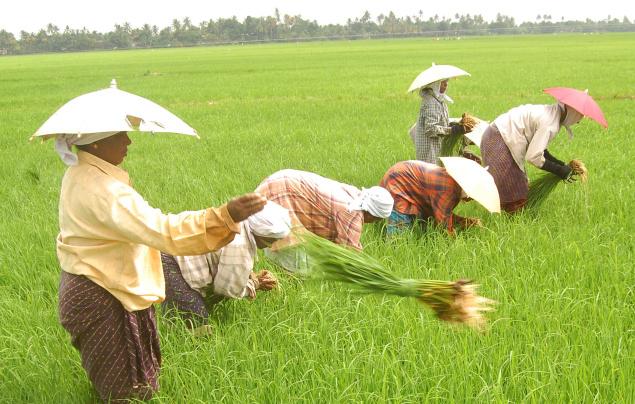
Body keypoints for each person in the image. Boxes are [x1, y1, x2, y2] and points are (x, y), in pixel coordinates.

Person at [55, 131, 266, 401]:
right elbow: (165, 231)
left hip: (96, 285)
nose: (128, 141)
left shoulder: (80, 172)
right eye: (120, 135)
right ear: (96, 142)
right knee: (128, 392)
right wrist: (224, 216)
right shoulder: (106, 192)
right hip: (104, 293)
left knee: (119, 380)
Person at [161, 201, 291, 330]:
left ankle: (171, 326)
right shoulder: (239, 246)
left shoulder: (237, 221)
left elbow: (225, 265)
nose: (272, 245)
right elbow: (226, 289)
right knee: (199, 324)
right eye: (272, 240)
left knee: (182, 312)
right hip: (171, 260)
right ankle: (177, 334)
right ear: (262, 235)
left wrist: (250, 277)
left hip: (167, 244)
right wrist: (255, 284)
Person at [254, 169, 393, 273]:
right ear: (373, 215)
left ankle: (278, 286)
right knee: (298, 267)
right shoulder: (352, 213)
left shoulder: (356, 195)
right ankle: (285, 297)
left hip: (277, 185)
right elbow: (351, 256)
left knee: (294, 256)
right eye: (376, 220)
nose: (372, 223)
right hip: (281, 196)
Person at [480, 103, 583, 213]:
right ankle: (514, 223)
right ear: (573, 114)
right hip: (498, 138)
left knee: (517, 188)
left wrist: (561, 165)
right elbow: (533, 156)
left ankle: (514, 220)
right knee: (515, 191)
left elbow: (540, 150)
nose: (578, 121)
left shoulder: (551, 114)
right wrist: (558, 170)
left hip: (498, 136)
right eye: (579, 117)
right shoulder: (549, 124)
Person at [379, 160, 485, 235]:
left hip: (403, 174)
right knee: (399, 233)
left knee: (424, 224)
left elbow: (437, 213)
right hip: (399, 181)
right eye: (473, 196)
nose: (470, 200)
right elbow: (443, 222)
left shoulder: (453, 182)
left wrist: (467, 222)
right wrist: (455, 243)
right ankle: (395, 253)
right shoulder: (447, 188)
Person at [413, 79, 466, 164]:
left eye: (447, 82)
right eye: (443, 83)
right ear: (434, 84)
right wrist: (451, 130)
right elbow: (430, 129)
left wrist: (455, 124)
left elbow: (443, 121)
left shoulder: (439, 100)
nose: (446, 85)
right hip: (430, 149)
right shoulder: (431, 102)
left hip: (437, 147)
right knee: (430, 176)